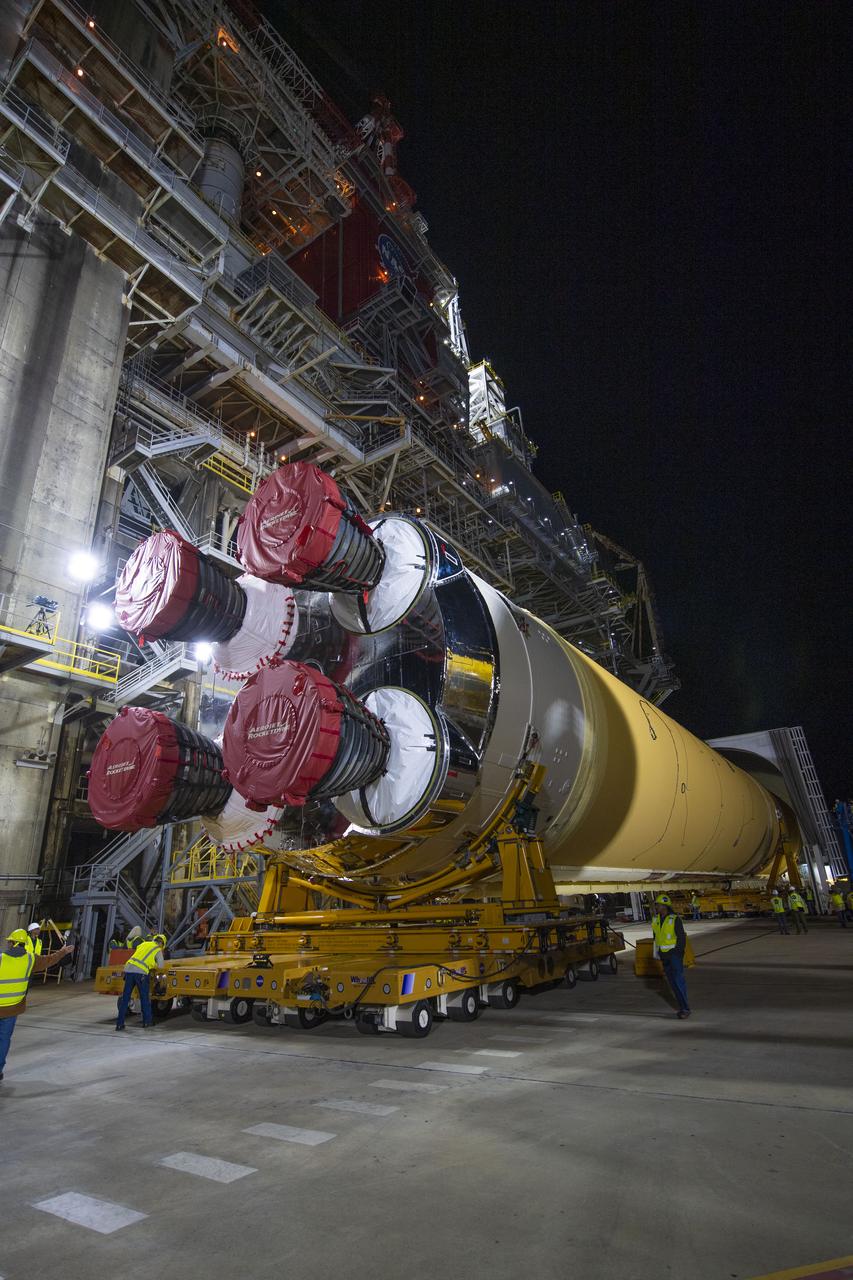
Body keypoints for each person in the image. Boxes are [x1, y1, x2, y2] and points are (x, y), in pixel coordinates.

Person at [0, 928, 74, 1081]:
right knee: (4, 1039)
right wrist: (63, 952)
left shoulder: (1, 958)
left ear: (11, 942)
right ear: (24, 943)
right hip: (12, 1008)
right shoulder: (30, 959)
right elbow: (49, 960)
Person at [650, 893, 691, 1019]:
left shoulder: (674, 919)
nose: (656, 907)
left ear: (664, 906)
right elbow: (656, 938)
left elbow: (681, 938)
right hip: (664, 956)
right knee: (672, 984)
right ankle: (682, 1007)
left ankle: (685, 1009)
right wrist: (656, 952)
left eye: (658, 905)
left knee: (678, 982)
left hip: (674, 956)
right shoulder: (656, 920)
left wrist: (677, 953)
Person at [115, 932, 166, 1030]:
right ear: (162, 944)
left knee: (125, 998)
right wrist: (152, 965)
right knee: (144, 998)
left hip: (129, 969)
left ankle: (119, 1024)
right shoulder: (157, 950)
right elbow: (161, 966)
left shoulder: (143, 944)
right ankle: (147, 1022)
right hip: (141, 973)